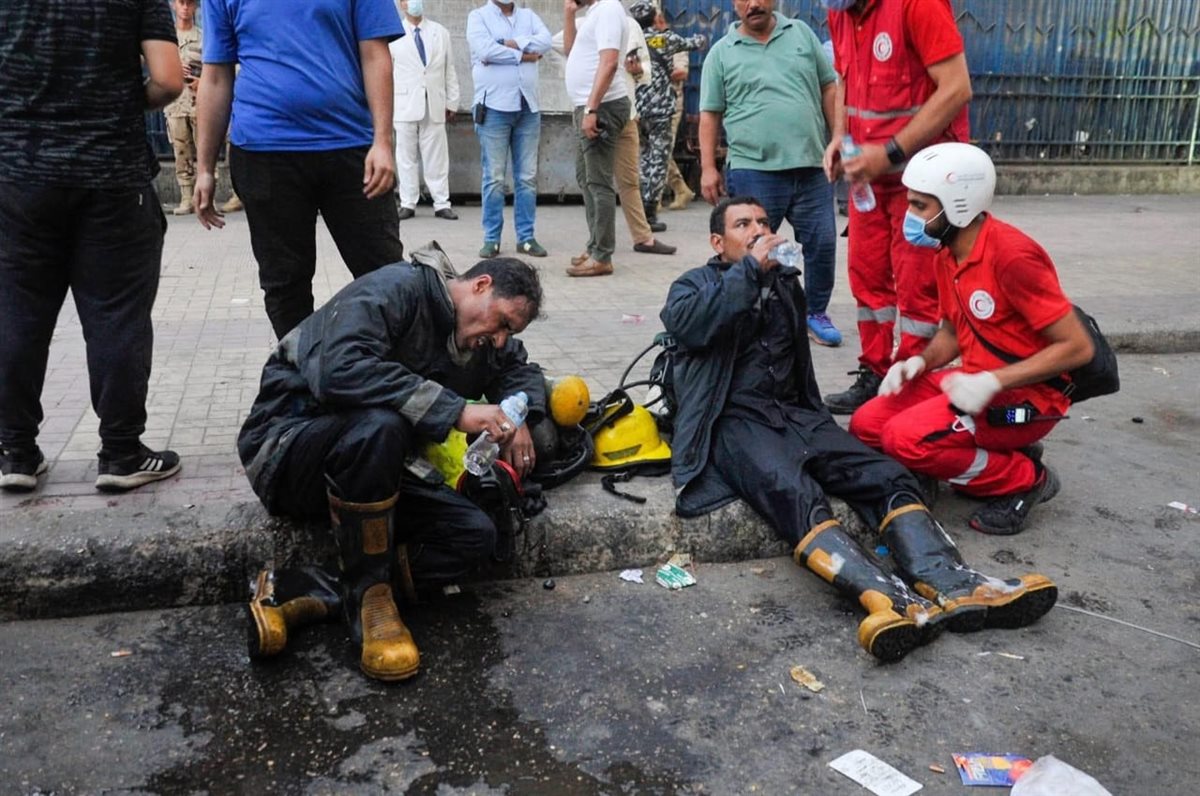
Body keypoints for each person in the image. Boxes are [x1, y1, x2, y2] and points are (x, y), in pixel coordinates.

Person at [659, 196, 1057, 662]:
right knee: (792, 492)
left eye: (763, 222)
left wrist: (821, 423)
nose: (758, 230)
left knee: (884, 474)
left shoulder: (785, 282)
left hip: (795, 416)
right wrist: (748, 272)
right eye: (742, 224)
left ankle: (956, 583)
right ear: (717, 241)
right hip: (733, 423)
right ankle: (886, 599)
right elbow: (689, 325)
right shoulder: (694, 284)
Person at [238, 253, 546, 680]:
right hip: (288, 450)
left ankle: (301, 589)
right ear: (480, 285)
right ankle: (371, 600)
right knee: (382, 426)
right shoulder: (398, 289)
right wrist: (454, 410)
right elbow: (337, 368)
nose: (499, 339)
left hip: (376, 467)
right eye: (503, 323)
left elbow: (521, 369)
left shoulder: (479, 341)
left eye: (509, 332)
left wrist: (520, 413)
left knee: (475, 535)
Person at [849, 144, 1094, 535]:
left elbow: (1078, 348)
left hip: (1027, 399)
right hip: (975, 383)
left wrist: (994, 381)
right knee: (867, 424)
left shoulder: (1013, 256)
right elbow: (951, 331)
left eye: (919, 206)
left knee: (903, 440)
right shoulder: (948, 254)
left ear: (958, 205)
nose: (909, 218)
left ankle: (1026, 477)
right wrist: (918, 364)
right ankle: (992, 453)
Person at [0, 0, 184, 493]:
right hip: (113, 176)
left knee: (16, 311)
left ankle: (14, 451)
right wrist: (124, 101)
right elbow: (168, 79)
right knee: (116, 316)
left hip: (18, 177)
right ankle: (121, 453)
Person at [193, 0, 406, 340]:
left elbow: (375, 55)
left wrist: (382, 141)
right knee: (285, 283)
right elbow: (216, 76)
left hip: (351, 148)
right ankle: (300, 381)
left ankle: (393, 374)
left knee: (385, 274)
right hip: (265, 151)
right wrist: (205, 167)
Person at [820, 0, 973, 412]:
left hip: (923, 178)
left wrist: (888, 152)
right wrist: (839, 137)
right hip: (868, 177)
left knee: (919, 287)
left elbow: (957, 88)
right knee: (867, 279)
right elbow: (844, 81)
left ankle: (913, 380)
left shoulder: (917, 6)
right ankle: (875, 372)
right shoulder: (841, 13)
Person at [698, 0, 843, 348]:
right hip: (753, 170)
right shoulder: (721, 53)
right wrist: (707, 167)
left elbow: (829, 88)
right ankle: (755, 313)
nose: (753, 4)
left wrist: (838, 138)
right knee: (754, 248)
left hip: (811, 167)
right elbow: (710, 114)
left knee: (822, 244)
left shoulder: (802, 35)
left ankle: (815, 312)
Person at [553, 14, 676, 258]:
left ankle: (642, 238)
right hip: (592, 111)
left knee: (628, 180)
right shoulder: (583, 23)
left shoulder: (628, 24)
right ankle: (596, 245)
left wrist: (636, 69)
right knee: (592, 180)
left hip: (624, 112)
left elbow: (645, 68)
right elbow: (560, 46)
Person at [467, 0, 553, 259]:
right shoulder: (478, 16)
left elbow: (546, 42)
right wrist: (525, 54)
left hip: (528, 105)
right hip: (493, 106)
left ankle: (525, 238)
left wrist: (507, 43)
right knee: (493, 177)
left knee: (526, 177)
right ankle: (491, 239)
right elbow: (485, 50)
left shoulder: (528, 15)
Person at [562, 0, 630, 278]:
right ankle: (594, 247)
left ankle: (602, 255)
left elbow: (610, 61)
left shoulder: (610, 8)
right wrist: (569, 14)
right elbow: (570, 50)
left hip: (601, 107)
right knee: (585, 179)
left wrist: (591, 108)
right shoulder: (593, 13)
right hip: (587, 107)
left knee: (599, 183)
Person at [629, 1, 705, 234]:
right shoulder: (666, 39)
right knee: (659, 160)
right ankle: (650, 211)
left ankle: (639, 207)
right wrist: (701, 38)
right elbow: (696, 43)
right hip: (661, 109)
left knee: (642, 157)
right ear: (654, 19)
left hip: (637, 111)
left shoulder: (629, 43)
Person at [392, 0, 460, 221]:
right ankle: (407, 202)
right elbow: (386, 71)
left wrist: (452, 101)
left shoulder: (440, 32)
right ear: (401, 4)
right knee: (405, 156)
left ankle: (441, 202)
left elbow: (449, 68)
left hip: (434, 102)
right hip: (403, 103)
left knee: (437, 156)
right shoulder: (393, 32)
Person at [166, 0, 202, 216]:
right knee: (181, 150)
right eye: (181, 3)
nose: (185, 8)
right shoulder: (167, 38)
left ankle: (206, 196)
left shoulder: (204, 37)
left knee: (204, 149)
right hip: (176, 102)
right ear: (174, 6)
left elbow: (215, 68)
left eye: (190, 4)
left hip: (199, 101)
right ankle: (186, 197)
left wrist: (202, 81)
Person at [663, 27, 695, 211]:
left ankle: (680, 189)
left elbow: (682, 72)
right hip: (649, 106)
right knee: (652, 151)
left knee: (662, 151)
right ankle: (675, 190)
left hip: (671, 105)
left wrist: (657, 71)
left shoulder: (675, 43)